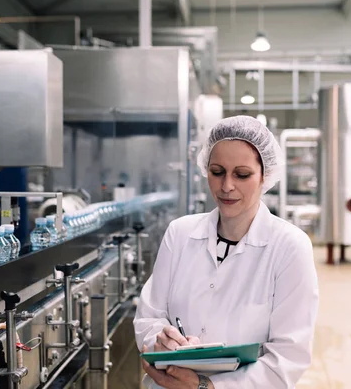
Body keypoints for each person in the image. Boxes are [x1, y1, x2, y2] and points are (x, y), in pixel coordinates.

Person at [134, 115, 319, 389]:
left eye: (242, 175)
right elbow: (149, 316)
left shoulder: (289, 247)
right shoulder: (180, 234)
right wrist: (160, 339)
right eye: (217, 171)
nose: (226, 186)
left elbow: (288, 357)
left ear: (264, 175)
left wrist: (205, 386)